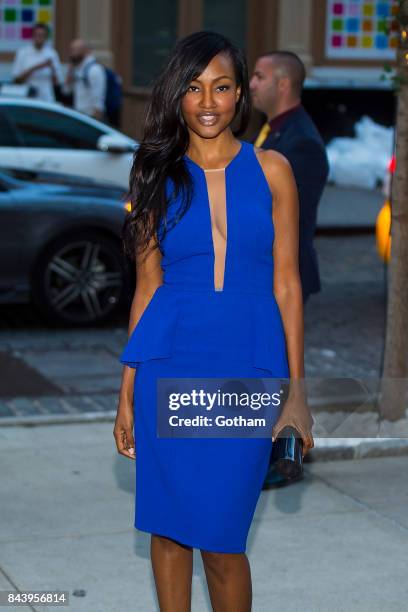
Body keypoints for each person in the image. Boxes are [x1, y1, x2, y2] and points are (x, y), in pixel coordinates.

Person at [113, 31, 314, 611]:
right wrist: (127, 390)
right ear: (176, 96)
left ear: (239, 94)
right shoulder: (155, 174)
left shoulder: (273, 170)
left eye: (222, 87)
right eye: (194, 88)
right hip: (168, 363)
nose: (208, 102)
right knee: (170, 529)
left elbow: (287, 285)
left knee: (225, 541)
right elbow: (148, 289)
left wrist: (296, 392)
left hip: (247, 369)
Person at [250, 51, 329, 490]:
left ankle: (281, 459)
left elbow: (289, 225)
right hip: (263, 277)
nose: (252, 83)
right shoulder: (274, 131)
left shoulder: (301, 143)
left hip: (284, 277)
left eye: (260, 76)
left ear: (282, 83)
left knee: (278, 373)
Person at [11, 22, 63, 103]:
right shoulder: (23, 52)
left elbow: (58, 83)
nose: (40, 38)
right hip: (27, 99)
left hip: (47, 99)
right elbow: (16, 80)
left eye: (42, 35)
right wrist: (36, 67)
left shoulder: (52, 53)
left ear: (46, 37)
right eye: (37, 35)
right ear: (32, 36)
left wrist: (52, 68)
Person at [63, 39, 107, 121]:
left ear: (85, 50)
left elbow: (98, 104)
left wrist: (94, 123)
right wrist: (70, 69)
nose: (71, 53)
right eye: (71, 50)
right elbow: (66, 91)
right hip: (80, 117)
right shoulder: (78, 69)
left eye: (74, 50)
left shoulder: (94, 70)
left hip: (90, 119)